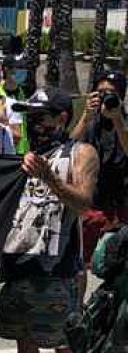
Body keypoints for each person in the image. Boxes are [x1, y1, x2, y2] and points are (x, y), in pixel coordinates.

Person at [0, 87, 108, 353]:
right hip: (18, 263)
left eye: (41, 116)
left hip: (57, 267)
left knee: (67, 347)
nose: (34, 123)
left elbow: (84, 201)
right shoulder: (23, 156)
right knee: (24, 341)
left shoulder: (81, 153)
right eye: (29, 116)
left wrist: (50, 180)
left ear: (61, 117)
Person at [70, 71, 128, 267]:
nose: (106, 97)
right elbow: (68, 148)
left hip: (122, 207)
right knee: (81, 264)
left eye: (111, 93)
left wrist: (118, 119)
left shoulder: (124, 123)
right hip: (92, 206)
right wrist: (86, 116)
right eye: (100, 92)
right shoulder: (90, 122)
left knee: (119, 265)